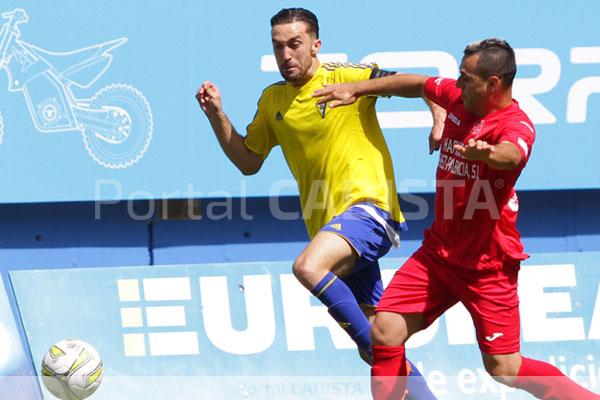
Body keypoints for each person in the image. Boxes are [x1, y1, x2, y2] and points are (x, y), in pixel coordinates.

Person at [313, 38, 600, 399]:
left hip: (487, 265)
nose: (457, 84)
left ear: (493, 84)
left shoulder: (515, 125)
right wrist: (357, 88)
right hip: (438, 255)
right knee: (385, 330)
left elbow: (512, 155)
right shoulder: (457, 99)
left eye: (466, 79)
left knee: (504, 368)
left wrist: (490, 154)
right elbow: (417, 83)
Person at [196, 7, 443, 400]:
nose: (286, 55)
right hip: (329, 228)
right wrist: (216, 116)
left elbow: (425, 84)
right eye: (278, 47)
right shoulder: (273, 100)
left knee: (309, 267)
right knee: (380, 339)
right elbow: (248, 161)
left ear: (316, 44)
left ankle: (378, 353)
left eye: (295, 44)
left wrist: (439, 116)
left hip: (370, 210)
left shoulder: (346, 77)